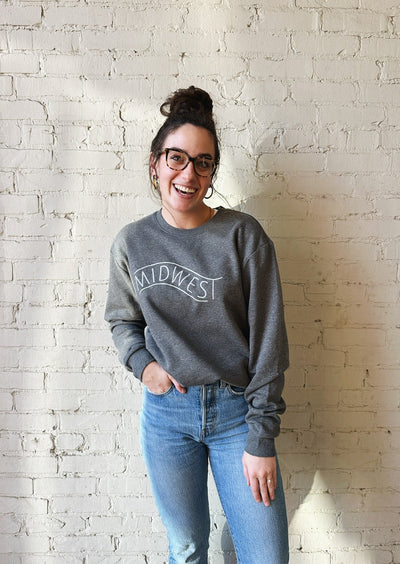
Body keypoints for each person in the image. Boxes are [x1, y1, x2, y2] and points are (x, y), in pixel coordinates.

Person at [105, 86, 289, 564]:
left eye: (202, 162)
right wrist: (146, 368)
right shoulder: (132, 243)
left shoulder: (242, 236)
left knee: (266, 556)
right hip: (168, 418)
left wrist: (261, 436)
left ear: (211, 173)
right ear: (155, 164)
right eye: (176, 158)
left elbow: (269, 342)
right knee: (186, 550)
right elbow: (123, 321)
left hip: (237, 416)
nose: (188, 173)